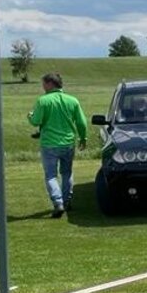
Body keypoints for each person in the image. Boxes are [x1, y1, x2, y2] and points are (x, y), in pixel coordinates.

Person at [28, 72, 88, 218]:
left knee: (51, 176)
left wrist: (30, 116)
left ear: (50, 84)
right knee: (67, 173)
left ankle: (58, 202)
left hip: (49, 144)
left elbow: (36, 121)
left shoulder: (43, 101)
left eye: (44, 83)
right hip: (68, 143)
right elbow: (81, 122)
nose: (43, 86)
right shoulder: (72, 100)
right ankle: (67, 201)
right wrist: (83, 138)